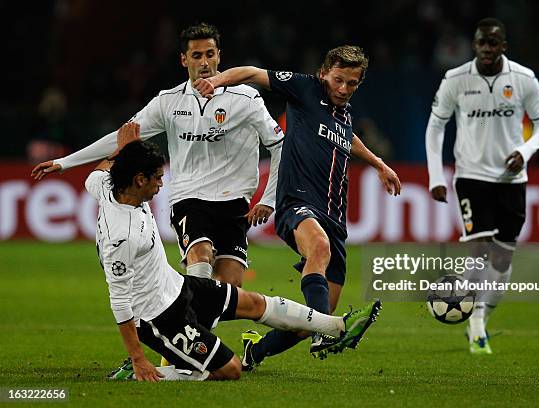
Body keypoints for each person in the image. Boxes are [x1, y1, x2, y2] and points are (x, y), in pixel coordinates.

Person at [78, 122, 380, 382]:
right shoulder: (123, 237)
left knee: (254, 303)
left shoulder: (109, 187)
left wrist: (125, 151)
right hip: (159, 316)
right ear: (139, 180)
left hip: (178, 287)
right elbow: (119, 303)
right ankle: (136, 372)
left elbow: (94, 174)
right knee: (230, 369)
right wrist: (137, 358)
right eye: (156, 178)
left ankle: (338, 327)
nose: (161, 183)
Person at [193, 45, 401, 366]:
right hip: (297, 201)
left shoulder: (343, 115)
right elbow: (251, 73)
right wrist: (217, 80)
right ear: (323, 74)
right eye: (338, 80)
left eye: (352, 83)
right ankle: (325, 331)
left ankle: (255, 352)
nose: (343, 89)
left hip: (334, 216)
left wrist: (378, 164)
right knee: (318, 249)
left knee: (318, 312)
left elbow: (348, 138)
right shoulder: (305, 88)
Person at [31, 22, 283, 287]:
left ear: (219, 56)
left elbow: (279, 144)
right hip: (189, 197)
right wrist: (64, 163)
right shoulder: (169, 101)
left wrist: (269, 198)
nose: (205, 62)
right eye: (197, 55)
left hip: (235, 202)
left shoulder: (246, 98)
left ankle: (191, 323)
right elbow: (121, 136)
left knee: (230, 288)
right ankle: (188, 326)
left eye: (210, 54)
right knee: (201, 258)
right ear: (183, 59)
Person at [425, 18, 539, 354]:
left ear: (503, 47)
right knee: (480, 248)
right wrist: (436, 176)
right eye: (481, 43)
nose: (486, 49)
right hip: (470, 176)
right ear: (474, 45)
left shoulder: (524, 79)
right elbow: (436, 127)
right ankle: (475, 321)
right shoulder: (456, 79)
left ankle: (478, 311)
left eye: (493, 44)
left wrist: (525, 152)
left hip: (511, 180)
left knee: (503, 258)